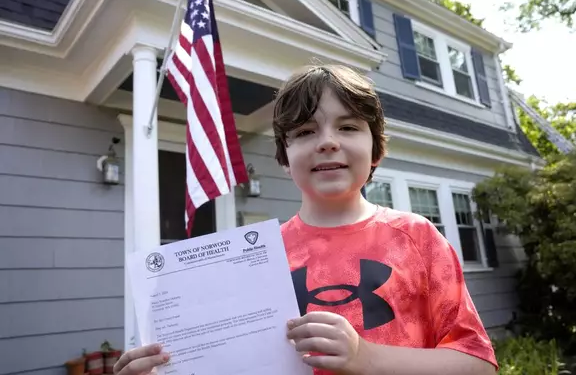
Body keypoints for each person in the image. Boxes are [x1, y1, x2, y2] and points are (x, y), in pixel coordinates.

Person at [112, 65, 497, 375]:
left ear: (376, 149)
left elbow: (477, 364)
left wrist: (366, 358)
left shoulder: (417, 238)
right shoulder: (255, 259)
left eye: (347, 127)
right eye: (305, 131)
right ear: (283, 157)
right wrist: (166, 368)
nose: (327, 141)